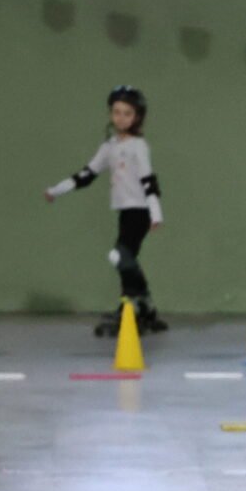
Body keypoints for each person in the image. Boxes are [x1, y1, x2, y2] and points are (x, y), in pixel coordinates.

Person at [43, 86, 166, 335]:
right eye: (117, 112)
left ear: (137, 117)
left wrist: (156, 212)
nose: (120, 118)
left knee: (120, 256)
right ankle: (142, 305)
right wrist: (57, 190)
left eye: (127, 113)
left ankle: (133, 305)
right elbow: (87, 174)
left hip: (140, 211)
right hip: (124, 210)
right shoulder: (109, 146)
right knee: (125, 260)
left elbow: (148, 181)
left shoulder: (138, 146)